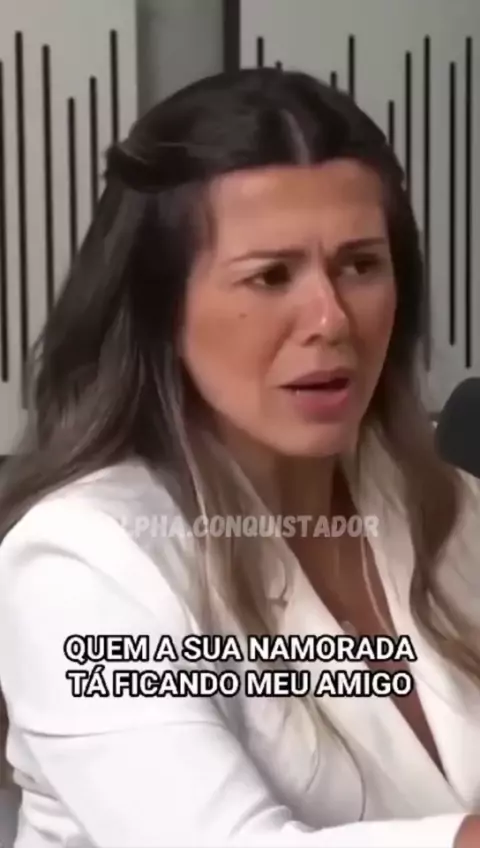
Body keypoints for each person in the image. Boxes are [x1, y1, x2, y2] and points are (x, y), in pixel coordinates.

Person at [0, 68, 478, 848]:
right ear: (161, 311)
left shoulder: (454, 510)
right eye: (271, 276)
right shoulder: (80, 559)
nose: (330, 318)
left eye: (360, 265)